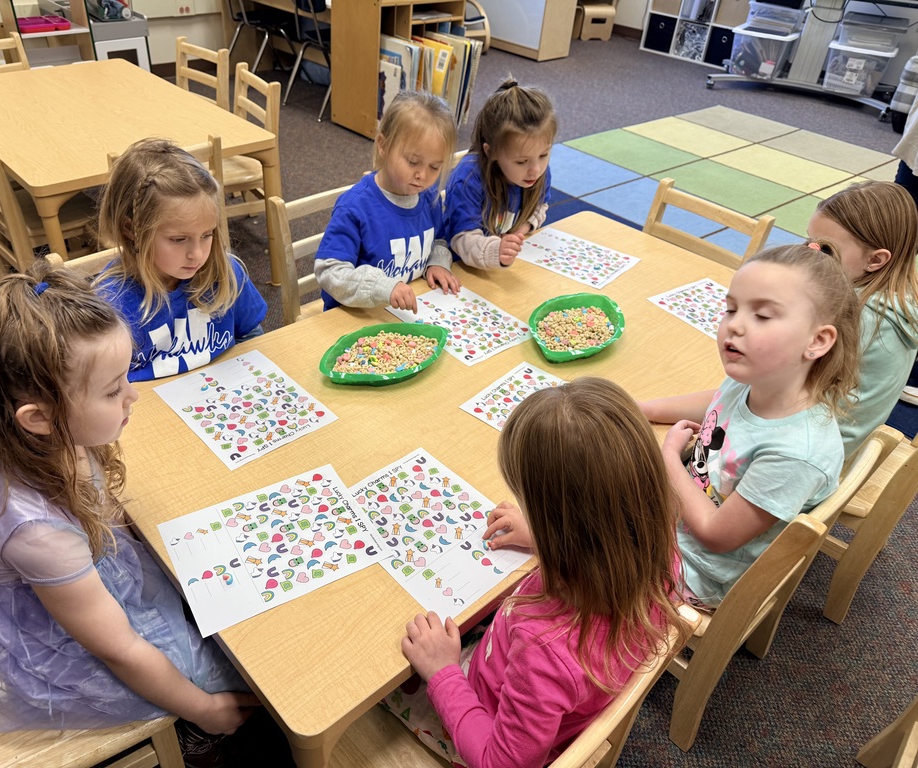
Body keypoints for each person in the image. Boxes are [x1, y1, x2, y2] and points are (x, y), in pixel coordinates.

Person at [0, 263, 258, 762]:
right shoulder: (36, 532)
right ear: (38, 417)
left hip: (76, 577)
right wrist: (203, 709)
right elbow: (119, 650)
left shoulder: (49, 440)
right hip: (48, 634)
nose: (133, 394)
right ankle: (197, 737)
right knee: (230, 668)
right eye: (112, 390)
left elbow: (103, 517)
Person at [385, 377, 687, 768]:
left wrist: (442, 673)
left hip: (488, 716)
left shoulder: (542, 651)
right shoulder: (658, 553)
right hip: (549, 695)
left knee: (377, 680)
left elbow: (500, 762)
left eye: (533, 508)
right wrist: (544, 538)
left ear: (562, 528)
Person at [639, 243, 861, 608]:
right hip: (675, 512)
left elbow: (715, 536)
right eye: (731, 309)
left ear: (817, 341)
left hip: (696, 569)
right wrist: (645, 409)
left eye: (763, 316)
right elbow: (718, 398)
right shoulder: (759, 377)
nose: (734, 325)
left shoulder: (797, 454)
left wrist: (666, 460)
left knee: (580, 531)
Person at [95, 137, 267, 382]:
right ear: (131, 229)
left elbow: (252, 337)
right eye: (178, 239)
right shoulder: (110, 307)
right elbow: (104, 392)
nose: (197, 254)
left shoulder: (226, 273)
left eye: (207, 235)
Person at [314, 90, 460, 312]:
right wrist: (381, 286)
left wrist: (437, 262)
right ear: (383, 145)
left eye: (434, 167)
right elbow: (329, 271)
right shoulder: (355, 207)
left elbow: (438, 240)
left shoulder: (428, 197)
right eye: (413, 161)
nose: (423, 175)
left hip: (406, 313)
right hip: (356, 317)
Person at [807, 181, 918, 453]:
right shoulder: (897, 296)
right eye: (808, 241)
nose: (810, 253)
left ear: (876, 260)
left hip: (812, 456)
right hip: (842, 445)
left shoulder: (856, 315)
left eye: (827, 250)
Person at [443, 78, 556, 270]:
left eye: (544, 155)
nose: (535, 169)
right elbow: (462, 239)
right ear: (491, 151)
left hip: (501, 268)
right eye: (521, 161)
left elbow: (540, 205)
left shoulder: (535, 172)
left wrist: (523, 229)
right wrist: (498, 250)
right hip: (460, 268)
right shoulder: (468, 180)